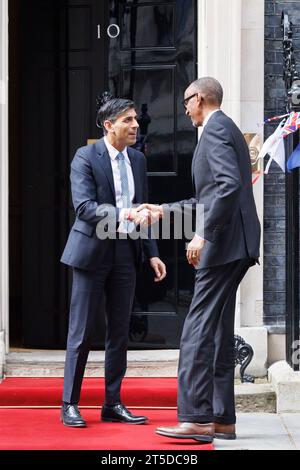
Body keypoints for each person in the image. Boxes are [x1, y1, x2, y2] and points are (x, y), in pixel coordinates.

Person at [138, 77, 260, 443]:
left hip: (223, 246)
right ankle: (222, 418)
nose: (185, 108)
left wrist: (203, 235)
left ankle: (195, 418)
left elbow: (227, 187)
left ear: (201, 98)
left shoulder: (217, 128)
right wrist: (162, 211)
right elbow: (208, 197)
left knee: (196, 329)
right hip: (233, 244)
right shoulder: (220, 129)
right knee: (219, 330)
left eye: (187, 101)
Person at [60, 94, 166, 427]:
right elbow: (84, 208)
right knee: (81, 332)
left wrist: (152, 254)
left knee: (119, 331)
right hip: (92, 252)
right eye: (128, 120)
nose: (136, 125)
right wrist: (125, 213)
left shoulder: (138, 159)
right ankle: (70, 404)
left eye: (136, 119)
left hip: (125, 251)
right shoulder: (85, 157)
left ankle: (113, 403)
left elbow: (143, 206)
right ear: (109, 126)